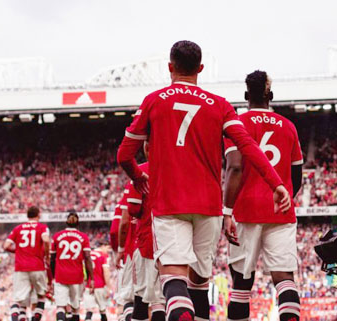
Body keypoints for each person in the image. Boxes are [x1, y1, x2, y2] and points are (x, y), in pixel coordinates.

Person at [117, 40, 291, 321]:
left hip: (169, 203)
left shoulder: (153, 101)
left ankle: (181, 312)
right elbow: (248, 147)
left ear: (170, 67)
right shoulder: (220, 105)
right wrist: (277, 183)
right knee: (199, 286)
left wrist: (138, 177)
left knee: (173, 279)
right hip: (209, 206)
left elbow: (124, 154)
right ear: (200, 68)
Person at [223, 70, 303, 321]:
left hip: (245, 210)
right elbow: (296, 176)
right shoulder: (289, 127)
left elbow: (234, 168)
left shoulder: (236, 124)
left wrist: (227, 211)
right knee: (284, 278)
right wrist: (285, 198)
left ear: (246, 95)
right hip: (280, 212)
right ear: (272, 96)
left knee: (241, 281)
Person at [126, 142, 166, 321]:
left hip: (147, 241)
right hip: (170, 240)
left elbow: (133, 208)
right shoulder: (173, 170)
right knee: (161, 299)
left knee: (141, 295)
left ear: (147, 148)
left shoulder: (141, 170)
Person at [4, 206, 51, 321]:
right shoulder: (42, 227)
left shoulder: (18, 228)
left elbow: (6, 246)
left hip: (21, 267)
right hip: (37, 266)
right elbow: (45, 240)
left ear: (27, 215)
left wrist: (18, 251)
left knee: (18, 299)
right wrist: (47, 255)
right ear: (38, 215)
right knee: (41, 296)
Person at [51, 211, 94, 321]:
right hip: (77, 276)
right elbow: (88, 258)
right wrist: (91, 278)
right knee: (75, 308)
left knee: (60, 306)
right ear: (78, 223)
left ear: (66, 222)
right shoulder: (83, 237)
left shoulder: (57, 236)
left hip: (61, 275)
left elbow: (52, 259)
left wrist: (52, 276)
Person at [115, 190, 137, 321]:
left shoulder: (133, 185)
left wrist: (120, 249)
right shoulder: (162, 176)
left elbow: (122, 224)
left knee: (130, 296)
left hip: (134, 247)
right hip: (159, 247)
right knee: (157, 301)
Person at [84, 242, 111, 321]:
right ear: (103, 246)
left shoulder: (88, 254)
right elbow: (106, 272)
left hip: (88, 286)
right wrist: (108, 287)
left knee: (89, 311)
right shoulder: (103, 256)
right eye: (107, 248)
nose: (108, 251)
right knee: (102, 310)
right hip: (100, 286)